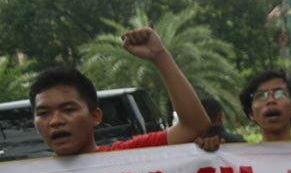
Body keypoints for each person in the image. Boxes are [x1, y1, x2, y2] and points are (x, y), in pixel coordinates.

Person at [30, 27, 213, 156]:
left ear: (95, 116)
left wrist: (159, 56)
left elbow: (194, 126)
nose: (56, 121)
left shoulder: (127, 157)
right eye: (44, 113)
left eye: (69, 110)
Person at [239, 70, 291, 142]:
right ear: (251, 113)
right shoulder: (236, 153)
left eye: (280, 94)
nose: (271, 100)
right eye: (261, 95)